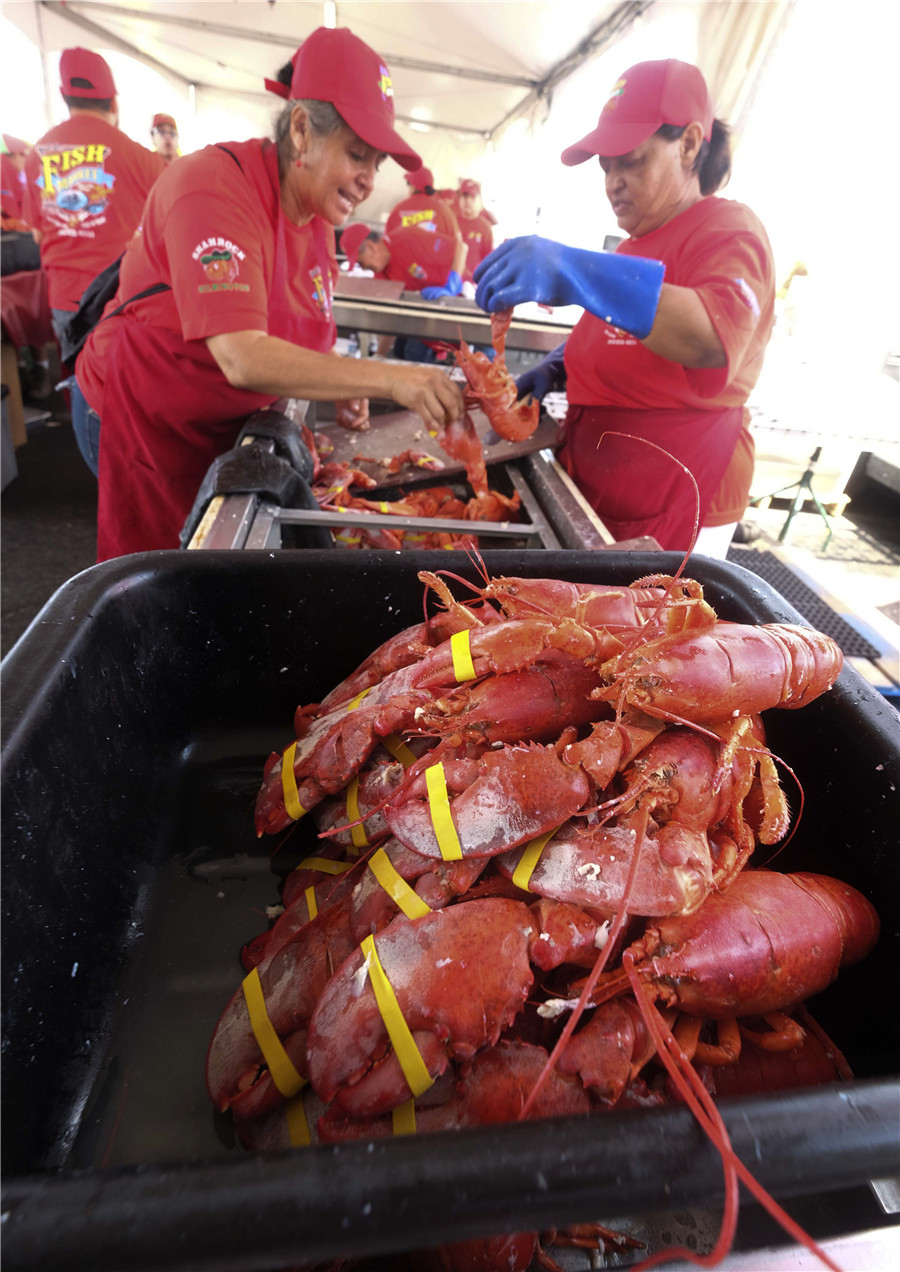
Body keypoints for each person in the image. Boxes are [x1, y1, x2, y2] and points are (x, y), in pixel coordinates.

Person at [75, 26, 463, 560]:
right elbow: (242, 354)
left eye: (377, 164)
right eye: (357, 155)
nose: (369, 180)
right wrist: (390, 378)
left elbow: (306, 329)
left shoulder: (317, 220)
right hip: (142, 416)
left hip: (220, 424)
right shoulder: (212, 186)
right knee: (157, 572)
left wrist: (339, 384)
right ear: (301, 130)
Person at [474, 59, 775, 557]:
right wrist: (562, 364)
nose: (612, 180)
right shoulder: (633, 246)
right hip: (599, 481)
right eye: (605, 166)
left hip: (676, 492)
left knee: (655, 628)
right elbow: (619, 338)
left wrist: (574, 269)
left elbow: (709, 335)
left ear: (689, 144)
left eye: (629, 160)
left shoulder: (731, 230)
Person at [24, 48, 166, 348]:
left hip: (64, 295)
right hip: (118, 293)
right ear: (113, 101)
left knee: (76, 380)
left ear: (64, 96)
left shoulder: (36, 154)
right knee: (118, 383)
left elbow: (37, 234)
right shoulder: (141, 158)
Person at [342, 221, 467, 299]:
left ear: (370, 247)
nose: (363, 268)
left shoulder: (409, 237)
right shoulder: (381, 273)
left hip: (463, 300)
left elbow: (461, 248)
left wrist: (452, 284)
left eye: (361, 263)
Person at [385, 164, 460, 240]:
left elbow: (386, 239)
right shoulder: (444, 211)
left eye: (408, 184)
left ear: (414, 187)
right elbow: (458, 243)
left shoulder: (399, 208)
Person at [455, 178, 493, 279]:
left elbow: (488, 259)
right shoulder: (452, 223)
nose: (468, 201)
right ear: (460, 199)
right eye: (465, 196)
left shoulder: (485, 227)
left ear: (479, 200)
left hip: (473, 284)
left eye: (472, 197)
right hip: (452, 283)